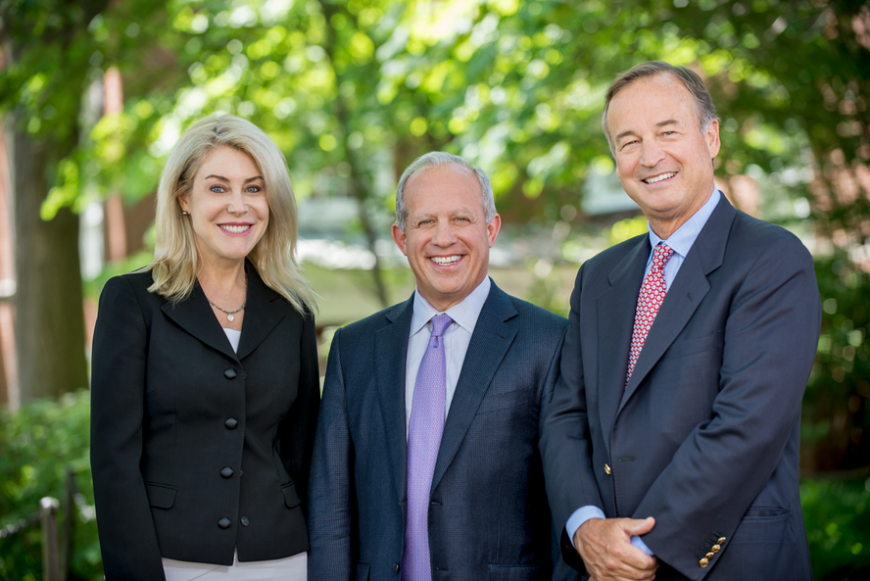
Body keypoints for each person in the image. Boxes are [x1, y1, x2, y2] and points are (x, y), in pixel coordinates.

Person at [539, 61, 821, 581]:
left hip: (722, 564)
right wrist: (586, 529)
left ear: (710, 137)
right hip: (598, 565)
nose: (650, 156)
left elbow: (745, 427)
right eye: (629, 141)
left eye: (668, 131)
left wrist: (636, 549)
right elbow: (564, 418)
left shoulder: (772, 261)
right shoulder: (598, 277)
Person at [307, 152, 577, 581]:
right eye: (425, 222)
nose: (443, 237)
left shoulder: (549, 342)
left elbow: (568, 501)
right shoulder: (353, 349)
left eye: (461, 219)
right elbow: (331, 509)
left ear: (491, 229)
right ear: (401, 237)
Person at [90, 114, 319, 581]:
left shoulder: (293, 311)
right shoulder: (132, 301)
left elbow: (304, 452)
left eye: (254, 189)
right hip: (173, 559)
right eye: (218, 188)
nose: (239, 205)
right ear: (184, 198)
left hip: (283, 558)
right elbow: (114, 461)